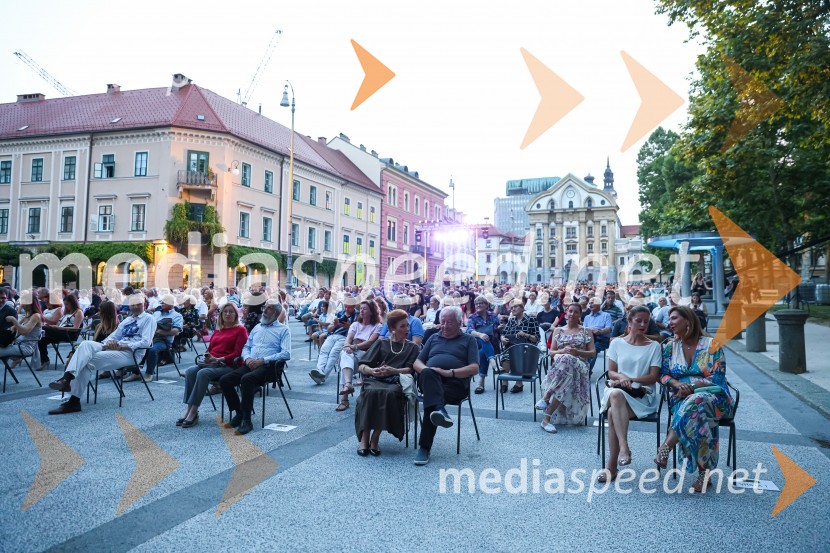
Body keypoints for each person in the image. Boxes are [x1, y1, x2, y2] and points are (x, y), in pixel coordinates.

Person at [656, 306, 734, 493]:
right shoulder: (669, 346)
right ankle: (703, 473)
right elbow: (662, 375)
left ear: (688, 321)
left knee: (698, 401)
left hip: (715, 397)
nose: (670, 323)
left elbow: (718, 378)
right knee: (696, 411)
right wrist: (676, 384)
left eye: (674, 319)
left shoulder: (712, 344)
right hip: (681, 397)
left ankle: (667, 445)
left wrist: (691, 388)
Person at [46, 294, 156, 415]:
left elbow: (146, 342)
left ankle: (71, 395)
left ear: (144, 304)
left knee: (86, 361)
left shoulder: (148, 319)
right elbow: (113, 336)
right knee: (86, 344)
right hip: (115, 349)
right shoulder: (127, 320)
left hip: (131, 354)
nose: (135, 307)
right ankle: (68, 384)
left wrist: (122, 346)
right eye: (132, 305)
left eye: (138, 304)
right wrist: (108, 343)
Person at [596, 305, 662, 483]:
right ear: (629, 321)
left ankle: (611, 467)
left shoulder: (654, 346)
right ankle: (624, 448)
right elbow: (611, 372)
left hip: (643, 395)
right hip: (619, 391)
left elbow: (653, 377)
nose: (642, 325)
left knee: (612, 412)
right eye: (638, 321)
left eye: (646, 322)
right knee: (616, 395)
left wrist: (631, 379)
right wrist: (622, 377)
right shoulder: (616, 342)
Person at [412, 306, 479, 466]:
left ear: (458, 322)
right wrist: (429, 370)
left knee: (432, 401)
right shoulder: (434, 337)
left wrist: (449, 373)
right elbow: (417, 362)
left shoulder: (469, 340)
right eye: (442, 322)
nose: (445, 326)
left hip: (454, 385)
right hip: (429, 380)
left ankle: (424, 448)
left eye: (449, 322)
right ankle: (439, 412)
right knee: (428, 375)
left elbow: (474, 368)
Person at [219, 299, 291, 435]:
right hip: (250, 363)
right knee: (225, 380)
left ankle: (247, 421)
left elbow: (286, 353)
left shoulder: (283, 329)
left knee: (247, 379)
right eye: (264, 307)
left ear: (275, 313)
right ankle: (239, 413)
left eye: (268, 308)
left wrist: (263, 360)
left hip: (269, 367)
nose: (264, 310)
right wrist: (247, 359)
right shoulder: (257, 327)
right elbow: (246, 347)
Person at [353, 309, 420, 456]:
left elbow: (410, 370)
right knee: (370, 393)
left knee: (388, 394)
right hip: (375, 379)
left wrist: (393, 371)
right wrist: (372, 371)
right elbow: (362, 365)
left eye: (407, 326)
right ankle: (364, 438)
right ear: (392, 329)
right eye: (402, 326)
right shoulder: (381, 343)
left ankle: (375, 438)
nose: (407, 329)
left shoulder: (412, 347)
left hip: (396, 382)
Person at [178, 303, 248, 428]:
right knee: (190, 371)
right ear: (221, 314)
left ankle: (194, 410)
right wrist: (207, 356)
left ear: (236, 314)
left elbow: (238, 354)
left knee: (202, 373)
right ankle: (189, 409)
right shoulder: (218, 329)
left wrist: (218, 359)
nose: (227, 314)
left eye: (231, 312)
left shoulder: (240, 330)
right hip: (212, 363)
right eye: (225, 311)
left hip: (229, 365)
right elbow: (210, 348)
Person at [536, 303, 595, 433]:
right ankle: (546, 419)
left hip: (580, 365)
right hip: (561, 365)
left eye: (576, 312)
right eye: (570, 311)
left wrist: (577, 352)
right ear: (566, 313)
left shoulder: (586, 331)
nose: (572, 314)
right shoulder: (558, 330)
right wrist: (563, 350)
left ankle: (546, 399)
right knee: (566, 362)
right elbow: (551, 353)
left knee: (568, 361)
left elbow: (592, 353)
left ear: (580, 315)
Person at [336, 300, 382, 412]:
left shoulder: (377, 326)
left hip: (366, 355)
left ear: (372, 311)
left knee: (345, 359)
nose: (361, 310)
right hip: (353, 353)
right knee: (344, 355)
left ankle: (345, 399)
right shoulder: (355, 324)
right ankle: (348, 385)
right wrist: (347, 346)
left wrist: (354, 346)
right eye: (360, 308)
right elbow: (349, 338)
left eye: (364, 308)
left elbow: (370, 342)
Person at [124, 294, 183, 381]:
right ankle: (135, 373)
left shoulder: (177, 315)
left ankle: (149, 373)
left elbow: (176, 331)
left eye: (164, 302)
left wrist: (159, 331)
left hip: (163, 340)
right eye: (161, 302)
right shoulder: (156, 313)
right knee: (135, 345)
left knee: (152, 349)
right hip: (150, 338)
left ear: (171, 304)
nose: (161, 303)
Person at [308, 301, 358, 385]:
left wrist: (349, 326)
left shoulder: (357, 315)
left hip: (345, 338)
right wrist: (335, 324)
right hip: (333, 335)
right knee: (323, 350)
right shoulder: (340, 314)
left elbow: (358, 329)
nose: (346, 309)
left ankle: (322, 377)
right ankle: (319, 370)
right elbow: (329, 329)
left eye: (349, 307)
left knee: (333, 354)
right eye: (346, 307)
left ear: (353, 307)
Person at [497, 300, 538, 393]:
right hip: (512, 347)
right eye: (511, 308)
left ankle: (519, 384)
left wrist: (526, 335)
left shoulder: (531, 319)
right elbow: (504, 334)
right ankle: (505, 383)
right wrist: (502, 338)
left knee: (518, 355)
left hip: (527, 348)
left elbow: (537, 338)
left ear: (522, 308)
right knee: (506, 356)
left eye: (515, 307)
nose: (513, 309)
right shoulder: (511, 321)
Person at [467, 295, 500, 394]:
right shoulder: (472, 317)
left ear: (486, 305)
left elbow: (496, 329)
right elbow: (469, 330)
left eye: (481, 303)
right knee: (484, 340)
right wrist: (480, 334)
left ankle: (481, 383)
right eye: (476, 303)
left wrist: (499, 328)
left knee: (482, 352)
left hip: (492, 344)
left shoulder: (493, 315)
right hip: (477, 343)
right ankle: (492, 361)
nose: (478, 305)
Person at [0, 295, 43, 370]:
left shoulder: (36, 316)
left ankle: (15, 358)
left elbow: (25, 331)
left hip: (25, 347)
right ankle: (15, 358)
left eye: (24, 303)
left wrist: (13, 320)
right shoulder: (27, 316)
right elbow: (12, 328)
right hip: (18, 344)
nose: (22, 306)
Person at [583, 297, 613, 372]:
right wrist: (591, 330)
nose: (590, 304)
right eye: (589, 303)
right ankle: (581, 369)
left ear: (599, 304)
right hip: (588, 338)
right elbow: (584, 330)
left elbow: (609, 329)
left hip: (601, 339)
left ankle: (587, 371)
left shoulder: (606, 315)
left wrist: (600, 331)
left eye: (592, 302)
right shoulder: (587, 317)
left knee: (593, 350)